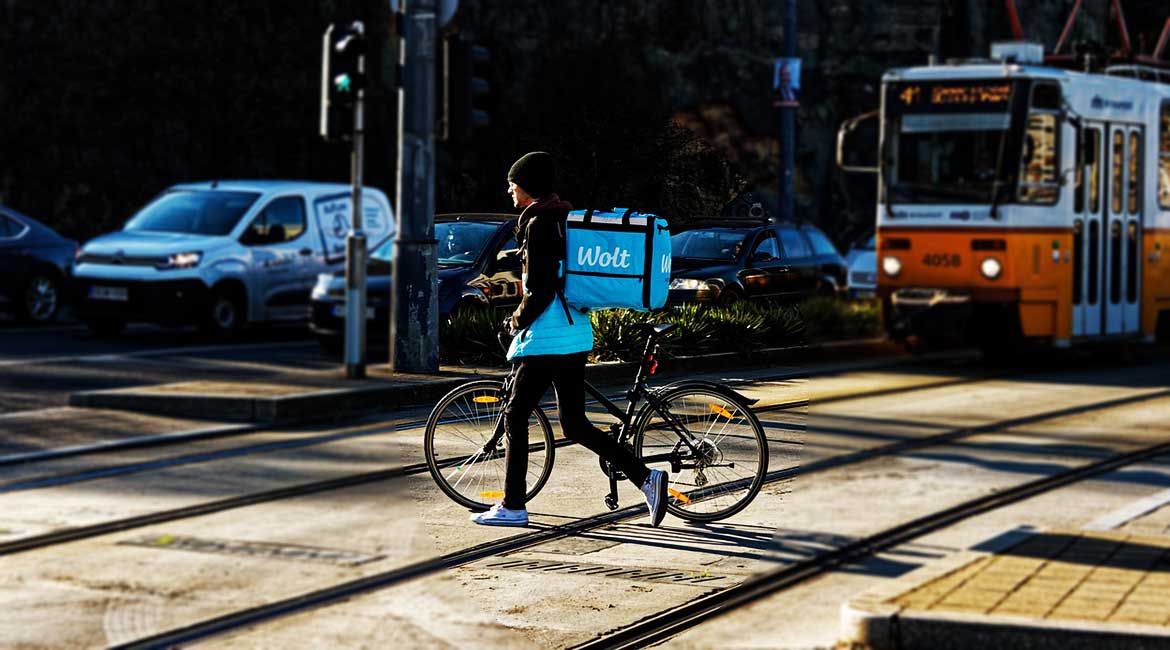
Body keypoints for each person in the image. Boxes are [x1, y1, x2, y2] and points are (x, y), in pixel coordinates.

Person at [471, 151, 669, 528]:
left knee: (515, 414)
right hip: (574, 331)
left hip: (549, 336)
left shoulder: (540, 223)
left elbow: (543, 287)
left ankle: (513, 506)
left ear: (527, 186)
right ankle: (646, 478)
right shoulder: (561, 217)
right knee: (575, 423)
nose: (509, 189)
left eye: (513, 183)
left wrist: (514, 321)